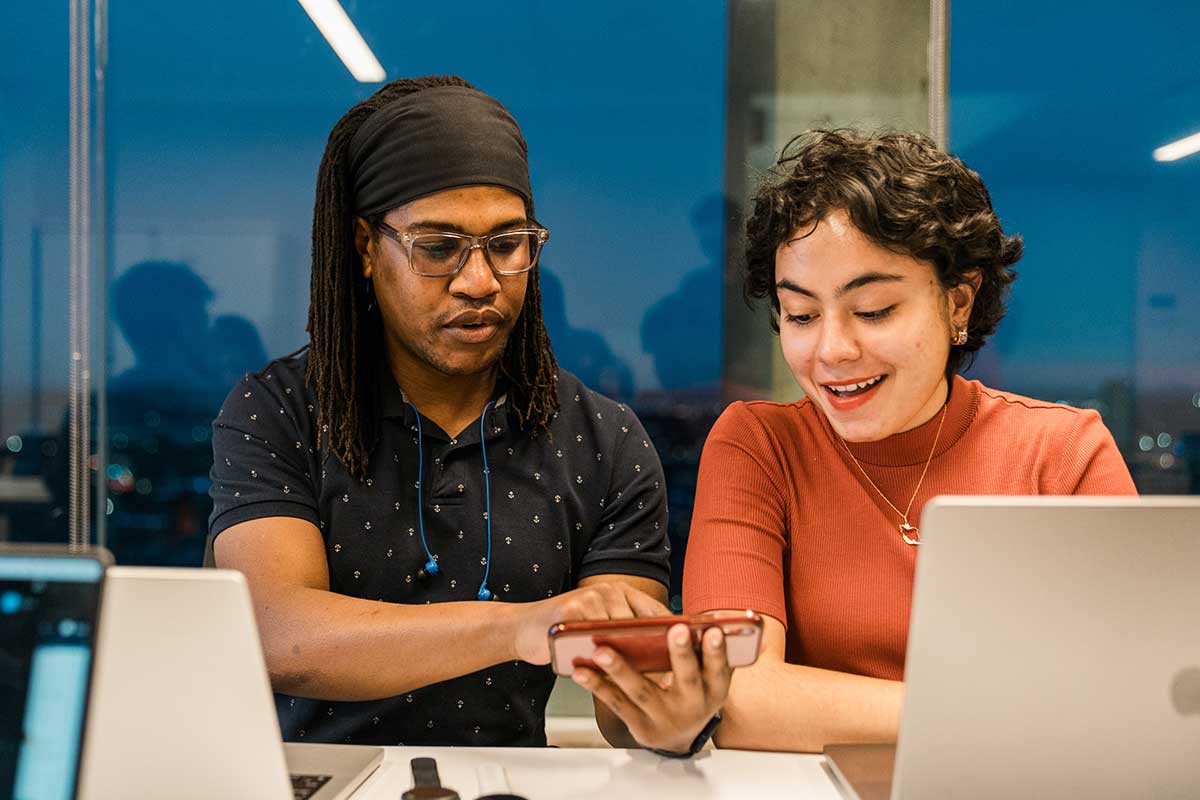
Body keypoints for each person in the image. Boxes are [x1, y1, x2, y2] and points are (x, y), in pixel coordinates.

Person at [208, 75, 729, 754]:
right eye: (438, 248)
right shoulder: (278, 411)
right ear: (367, 248)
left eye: (507, 244)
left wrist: (669, 717)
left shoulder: (604, 439)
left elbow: (617, 696)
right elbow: (278, 633)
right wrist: (520, 627)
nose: (479, 280)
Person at [682, 129, 1137, 753]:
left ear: (958, 302)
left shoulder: (1063, 453)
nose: (833, 351)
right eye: (802, 315)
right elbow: (735, 698)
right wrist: (1006, 713)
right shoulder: (759, 446)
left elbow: (1126, 696)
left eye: (872, 310)